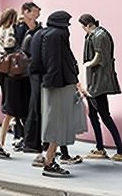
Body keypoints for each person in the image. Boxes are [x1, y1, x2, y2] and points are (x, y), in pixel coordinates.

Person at [78, 14, 122, 161]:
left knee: (104, 116)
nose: (83, 29)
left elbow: (99, 57)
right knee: (93, 115)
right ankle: (100, 148)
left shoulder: (99, 35)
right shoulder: (95, 34)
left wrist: (87, 65)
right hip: (93, 81)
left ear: (87, 24)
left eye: (83, 26)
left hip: (97, 82)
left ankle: (121, 151)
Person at [38, 10, 81, 178]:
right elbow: (54, 61)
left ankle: (49, 160)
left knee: (55, 123)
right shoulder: (56, 35)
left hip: (56, 83)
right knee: (57, 124)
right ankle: (49, 163)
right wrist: (56, 82)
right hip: (59, 84)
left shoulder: (48, 34)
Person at [0, 8, 27, 158]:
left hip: (1, 71)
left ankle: (19, 137)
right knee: (12, 109)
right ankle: (4, 143)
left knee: (12, 109)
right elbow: (9, 46)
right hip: (10, 73)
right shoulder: (8, 30)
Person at [11, 2, 41, 151]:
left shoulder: (38, 28)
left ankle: (28, 136)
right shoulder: (18, 28)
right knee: (21, 104)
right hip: (20, 72)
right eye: (35, 11)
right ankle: (20, 136)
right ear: (26, 12)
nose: (38, 13)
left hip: (32, 72)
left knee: (31, 104)